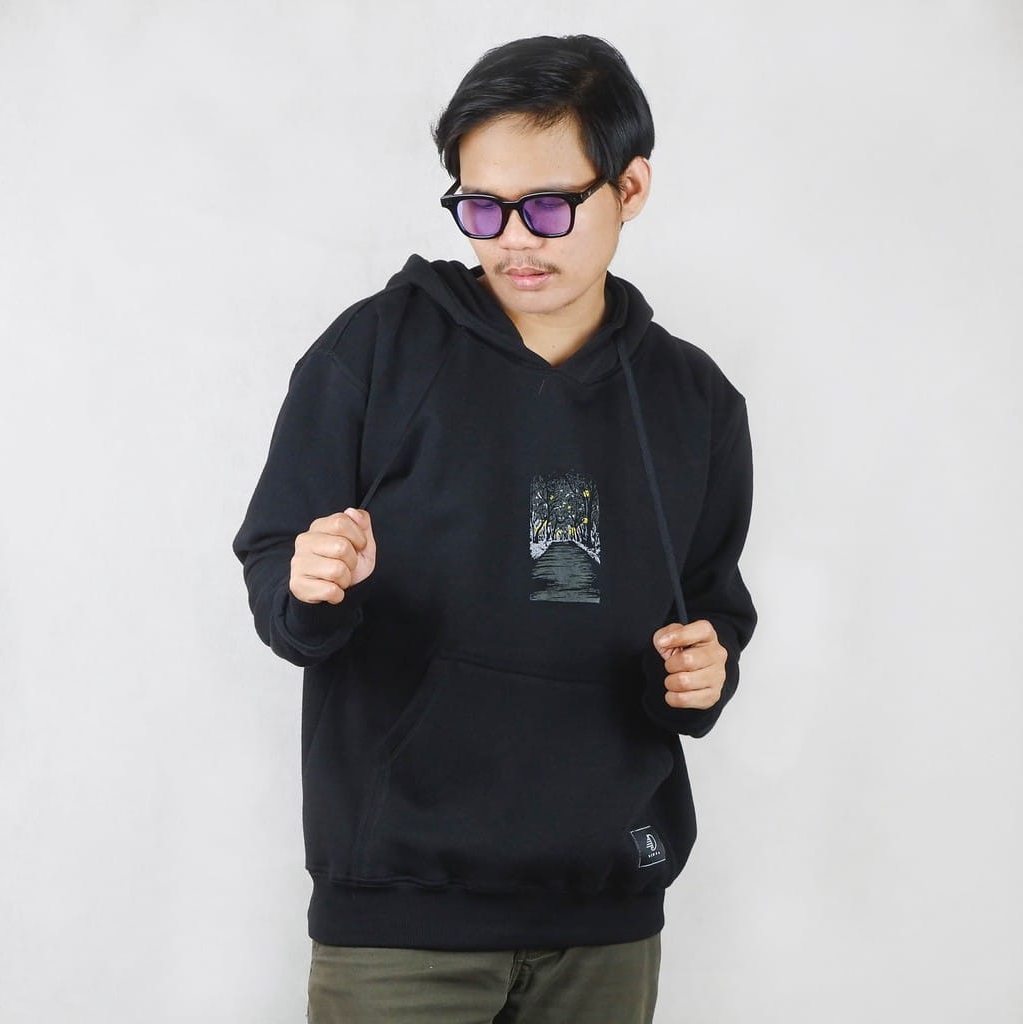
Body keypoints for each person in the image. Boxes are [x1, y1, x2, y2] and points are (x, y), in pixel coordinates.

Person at [232, 34, 756, 1024]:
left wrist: (705, 671)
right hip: (399, 912)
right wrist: (310, 584)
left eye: (549, 206)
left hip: (605, 912)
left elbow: (711, 608)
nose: (514, 239)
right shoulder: (374, 351)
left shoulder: (696, 403)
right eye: (482, 208)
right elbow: (278, 574)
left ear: (630, 187)